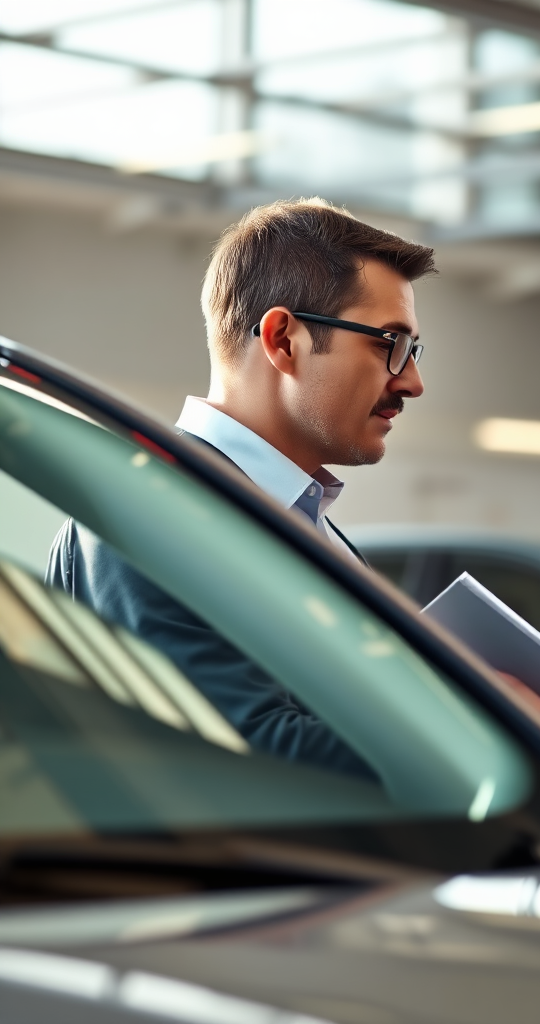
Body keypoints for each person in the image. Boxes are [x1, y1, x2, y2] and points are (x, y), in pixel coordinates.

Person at [47, 199, 435, 774]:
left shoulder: (313, 524)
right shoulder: (147, 507)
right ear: (283, 339)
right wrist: (485, 738)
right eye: (389, 344)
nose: (413, 381)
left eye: (413, 350)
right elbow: (236, 757)